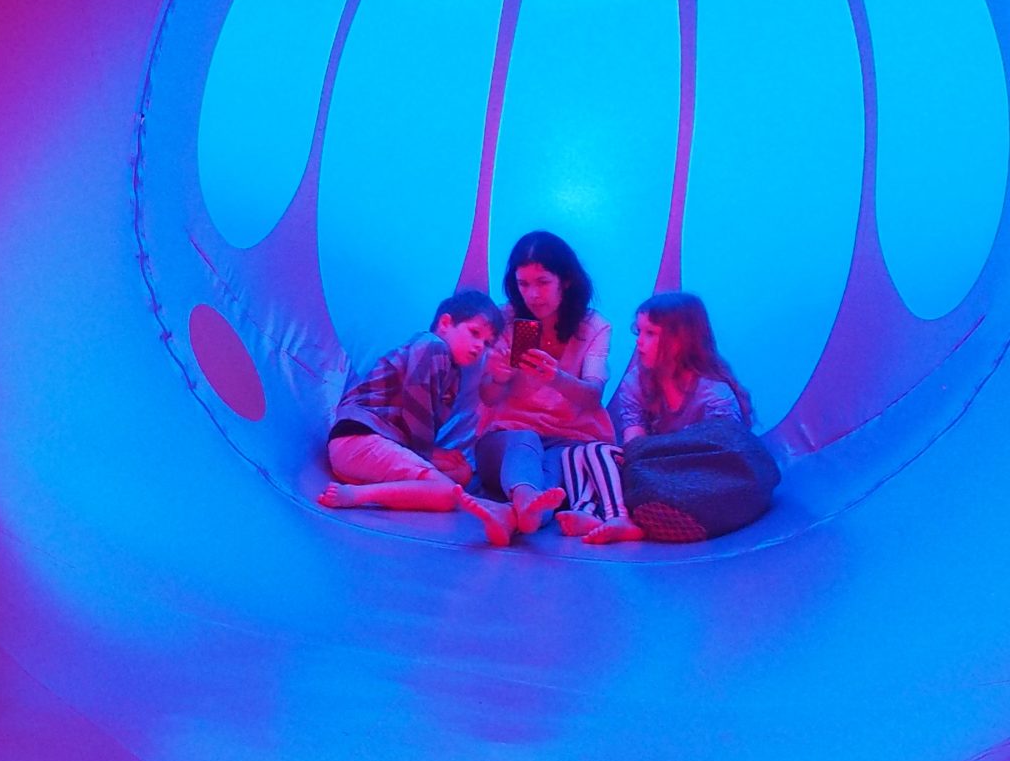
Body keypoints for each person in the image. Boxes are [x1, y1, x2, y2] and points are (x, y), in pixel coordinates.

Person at [576, 292, 760, 544]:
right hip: (653, 469)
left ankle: (644, 515)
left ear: (679, 341)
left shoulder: (713, 394)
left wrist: (662, 455)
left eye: (650, 334)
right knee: (587, 452)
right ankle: (608, 514)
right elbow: (634, 446)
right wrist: (645, 458)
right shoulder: (636, 383)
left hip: (699, 475)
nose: (640, 342)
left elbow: (726, 458)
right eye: (638, 333)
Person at [318, 289, 500, 536]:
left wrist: (433, 455)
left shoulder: (453, 373)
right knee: (447, 493)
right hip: (360, 437)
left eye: (487, 343)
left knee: (462, 473)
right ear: (445, 323)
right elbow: (418, 405)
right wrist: (428, 455)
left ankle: (389, 486)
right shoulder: (432, 346)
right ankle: (356, 495)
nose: (479, 346)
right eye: (475, 333)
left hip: (373, 447)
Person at [474, 230, 615, 541]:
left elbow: (593, 397)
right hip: (507, 436)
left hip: (569, 438)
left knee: (556, 468)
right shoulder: (506, 318)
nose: (533, 295)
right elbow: (487, 396)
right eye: (523, 284)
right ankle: (525, 500)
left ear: (566, 281)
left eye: (542, 283)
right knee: (525, 440)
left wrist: (556, 377)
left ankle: (517, 514)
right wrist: (498, 376)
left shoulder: (593, 326)